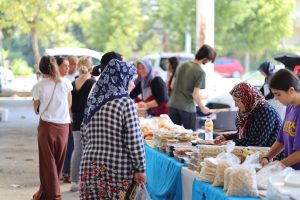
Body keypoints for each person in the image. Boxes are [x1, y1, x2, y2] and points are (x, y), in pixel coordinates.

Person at [80, 59, 146, 199]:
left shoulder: (93, 100)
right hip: (116, 169)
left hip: (90, 165)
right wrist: (140, 168)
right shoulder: (125, 102)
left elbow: (83, 135)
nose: (132, 84)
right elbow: (134, 139)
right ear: (121, 78)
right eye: (130, 79)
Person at [31, 56, 72, 200]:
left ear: (41, 68)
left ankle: (54, 196)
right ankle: (44, 193)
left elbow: (36, 109)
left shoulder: (38, 86)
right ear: (55, 66)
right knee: (58, 163)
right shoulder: (66, 83)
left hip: (46, 127)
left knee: (47, 163)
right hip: (63, 127)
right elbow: (68, 105)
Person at [214, 82, 282, 147]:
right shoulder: (248, 110)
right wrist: (226, 137)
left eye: (237, 101)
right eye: (234, 101)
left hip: (271, 156)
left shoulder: (266, 112)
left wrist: (232, 142)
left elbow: (258, 141)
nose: (235, 105)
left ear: (247, 99)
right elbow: (246, 135)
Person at [168, 44, 216, 130]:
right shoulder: (200, 72)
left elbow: (172, 85)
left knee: (173, 136)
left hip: (173, 105)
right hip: (187, 108)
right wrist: (203, 108)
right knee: (190, 137)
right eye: (209, 60)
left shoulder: (181, 65)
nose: (208, 63)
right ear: (205, 58)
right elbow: (195, 95)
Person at [260, 69, 300, 170]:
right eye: (274, 94)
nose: (276, 98)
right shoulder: (290, 107)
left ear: (291, 90)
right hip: (291, 171)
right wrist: (268, 157)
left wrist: (280, 165)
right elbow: (281, 140)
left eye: (278, 94)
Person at [69, 56, 96, 192]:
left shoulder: (73, 83)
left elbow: (69, 105)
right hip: (89, 121)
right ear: (91, 68)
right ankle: (87, 182)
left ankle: (74, 181)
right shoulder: (93, 83)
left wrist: (72, 118)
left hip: (76, 119)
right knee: (90, 152)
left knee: (77, 150)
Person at [56, 56, 73, 183]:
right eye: (65, 66)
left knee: (64, 149)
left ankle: (62, 172)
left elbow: (69, 103)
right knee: (59, 149)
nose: (68, 68)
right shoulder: (61, 82)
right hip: (57, 121)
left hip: (64, 120)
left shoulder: (67, 82)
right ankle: (59, 173)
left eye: (69, 65)